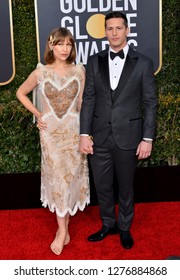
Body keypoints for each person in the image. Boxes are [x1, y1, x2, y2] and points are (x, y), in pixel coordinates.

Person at [79, 12, 157, 249]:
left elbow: (150, 102)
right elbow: (89, 98)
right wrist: (84, 134)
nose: (114, 33)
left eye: (118, 28)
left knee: (125, 185)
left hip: (130, 136)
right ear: (105, 32)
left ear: (127, 30)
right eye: (109, 28)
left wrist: (147, 138)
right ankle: (108, 224)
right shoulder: (93, 61)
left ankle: (124, 227)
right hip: (99, 137)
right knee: (102, 186)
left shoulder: (143, 62)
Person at [16, 27, 90, 255]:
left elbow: (81, 104)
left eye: (68, 44)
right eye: (60, 44)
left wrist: (86, 132)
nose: (64, 49)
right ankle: (61, 230)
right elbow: (20, 93)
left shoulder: (79, 70)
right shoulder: (41, 72)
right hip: (50, 135)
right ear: (51, 46)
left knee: (69, 180)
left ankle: (64, 225)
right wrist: (38, 114)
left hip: (73, 132)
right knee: (57, 180)